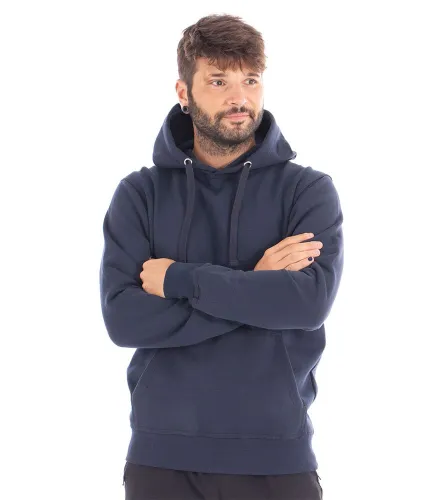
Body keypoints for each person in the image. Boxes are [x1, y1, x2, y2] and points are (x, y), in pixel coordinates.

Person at [99, 13, 343, 500]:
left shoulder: (307, 191)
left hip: (276, 457)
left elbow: (306, 304)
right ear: (184, 92)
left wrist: (180, 280)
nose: (239, 98)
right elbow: (124, 321)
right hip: (161, 459)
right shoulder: (140, 194)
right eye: (218, 81)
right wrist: (257, 286)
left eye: (250, 80)